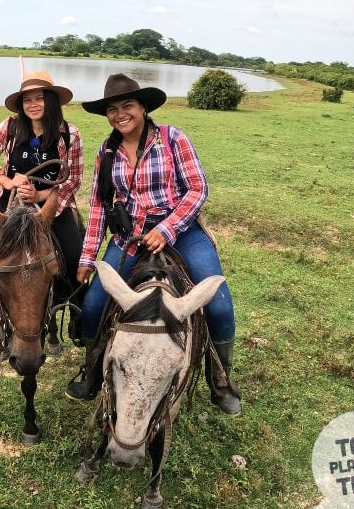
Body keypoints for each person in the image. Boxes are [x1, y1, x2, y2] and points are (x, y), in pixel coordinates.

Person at [64, 73, 241, 415]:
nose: (120, 114)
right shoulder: (107, 151)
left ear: (143, 108)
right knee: (94, 304)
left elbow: (198, 189)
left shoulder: (173, 138)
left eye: (127, 105)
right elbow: (99, 205)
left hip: (182, 231)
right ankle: (92, 367)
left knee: (218, 304)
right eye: (112, 109)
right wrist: (87, 258)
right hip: (129, 236)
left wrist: (168, 228)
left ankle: (220, 377)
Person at [0, 70, 84, 321]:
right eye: (27, 100)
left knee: (75, 256)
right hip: (9, 198)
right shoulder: (9, 126)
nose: (33, 104)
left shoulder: (69, 133)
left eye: (39, 98)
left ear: (51, 101)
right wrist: (7, 180)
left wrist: (40, 194)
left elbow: (73, 178)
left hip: (51, 203)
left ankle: (76, 307)